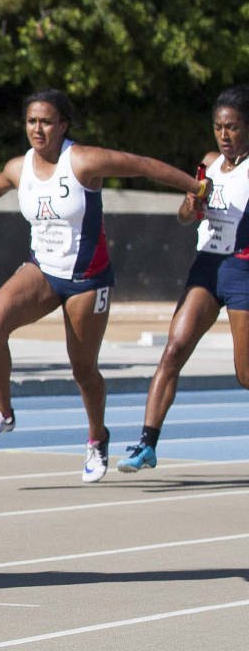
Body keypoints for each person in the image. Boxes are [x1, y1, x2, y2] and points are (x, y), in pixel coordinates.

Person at [0, 89, 212, 483]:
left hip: (87, 280)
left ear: (62, 125)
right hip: (42, 270)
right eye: (31, 121)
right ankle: (3, 413)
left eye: (45, 122)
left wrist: (195, 187)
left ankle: (97, 438)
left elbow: (142, 165)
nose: (37, 129)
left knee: (83, 370)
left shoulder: (83, 161)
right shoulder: (18, 167)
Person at [118, 85, 249, 473]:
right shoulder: (207, 164)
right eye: (219, 127)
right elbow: (183, 216)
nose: (225, 136)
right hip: (207, 267)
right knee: (173, 350)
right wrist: (190, 205)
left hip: (243, 269)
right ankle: (146, 444)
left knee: (246, 375)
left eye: (234, 128)